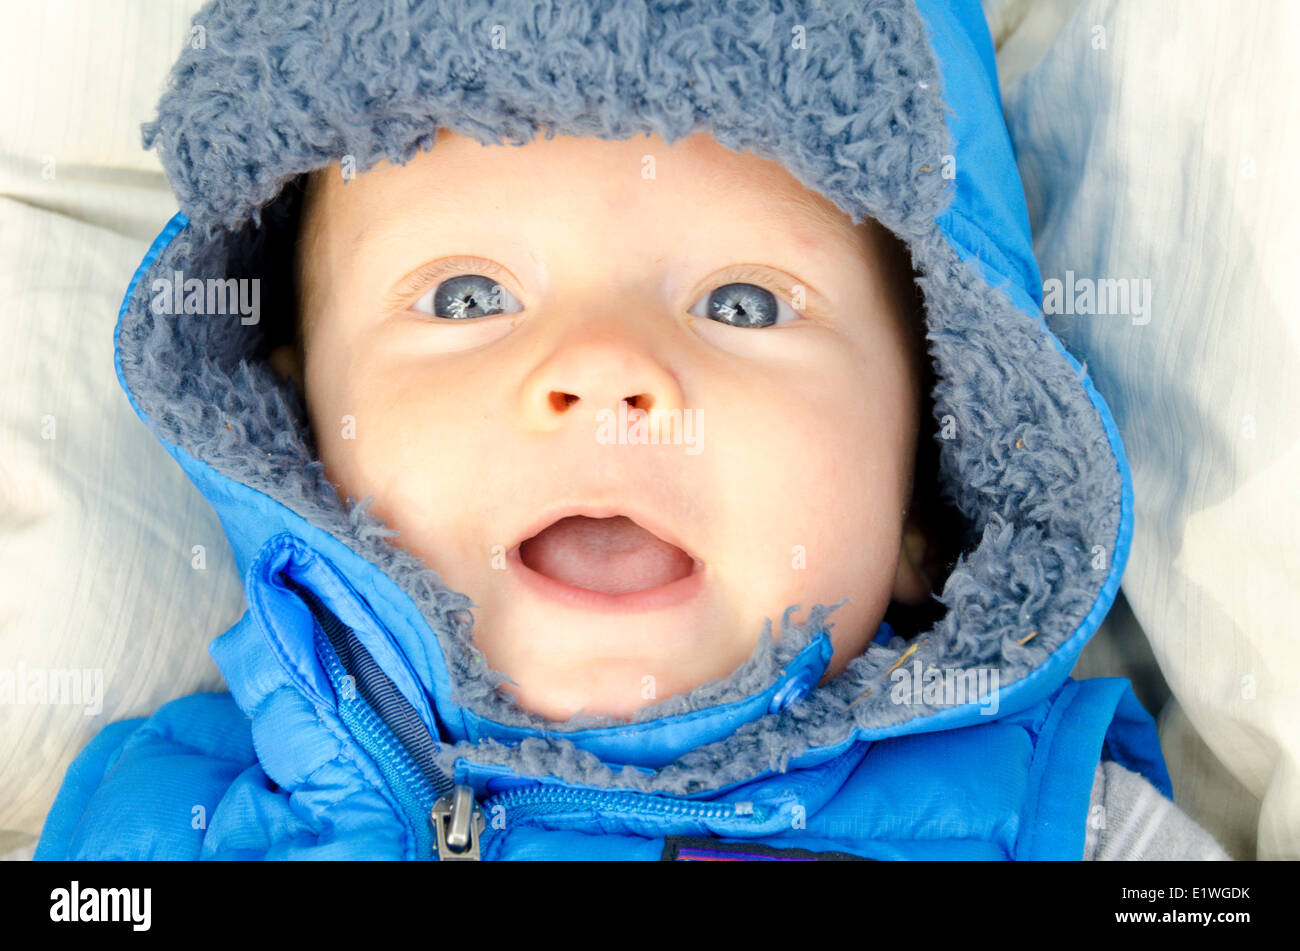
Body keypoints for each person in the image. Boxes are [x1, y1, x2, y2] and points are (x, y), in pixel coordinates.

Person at [36, 0, 1229, 860]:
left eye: (744, 303)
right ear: (290, 438)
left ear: (924, 505)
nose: (605, 371)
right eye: (467, 296)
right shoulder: (157, 829)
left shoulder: (1071, 830)